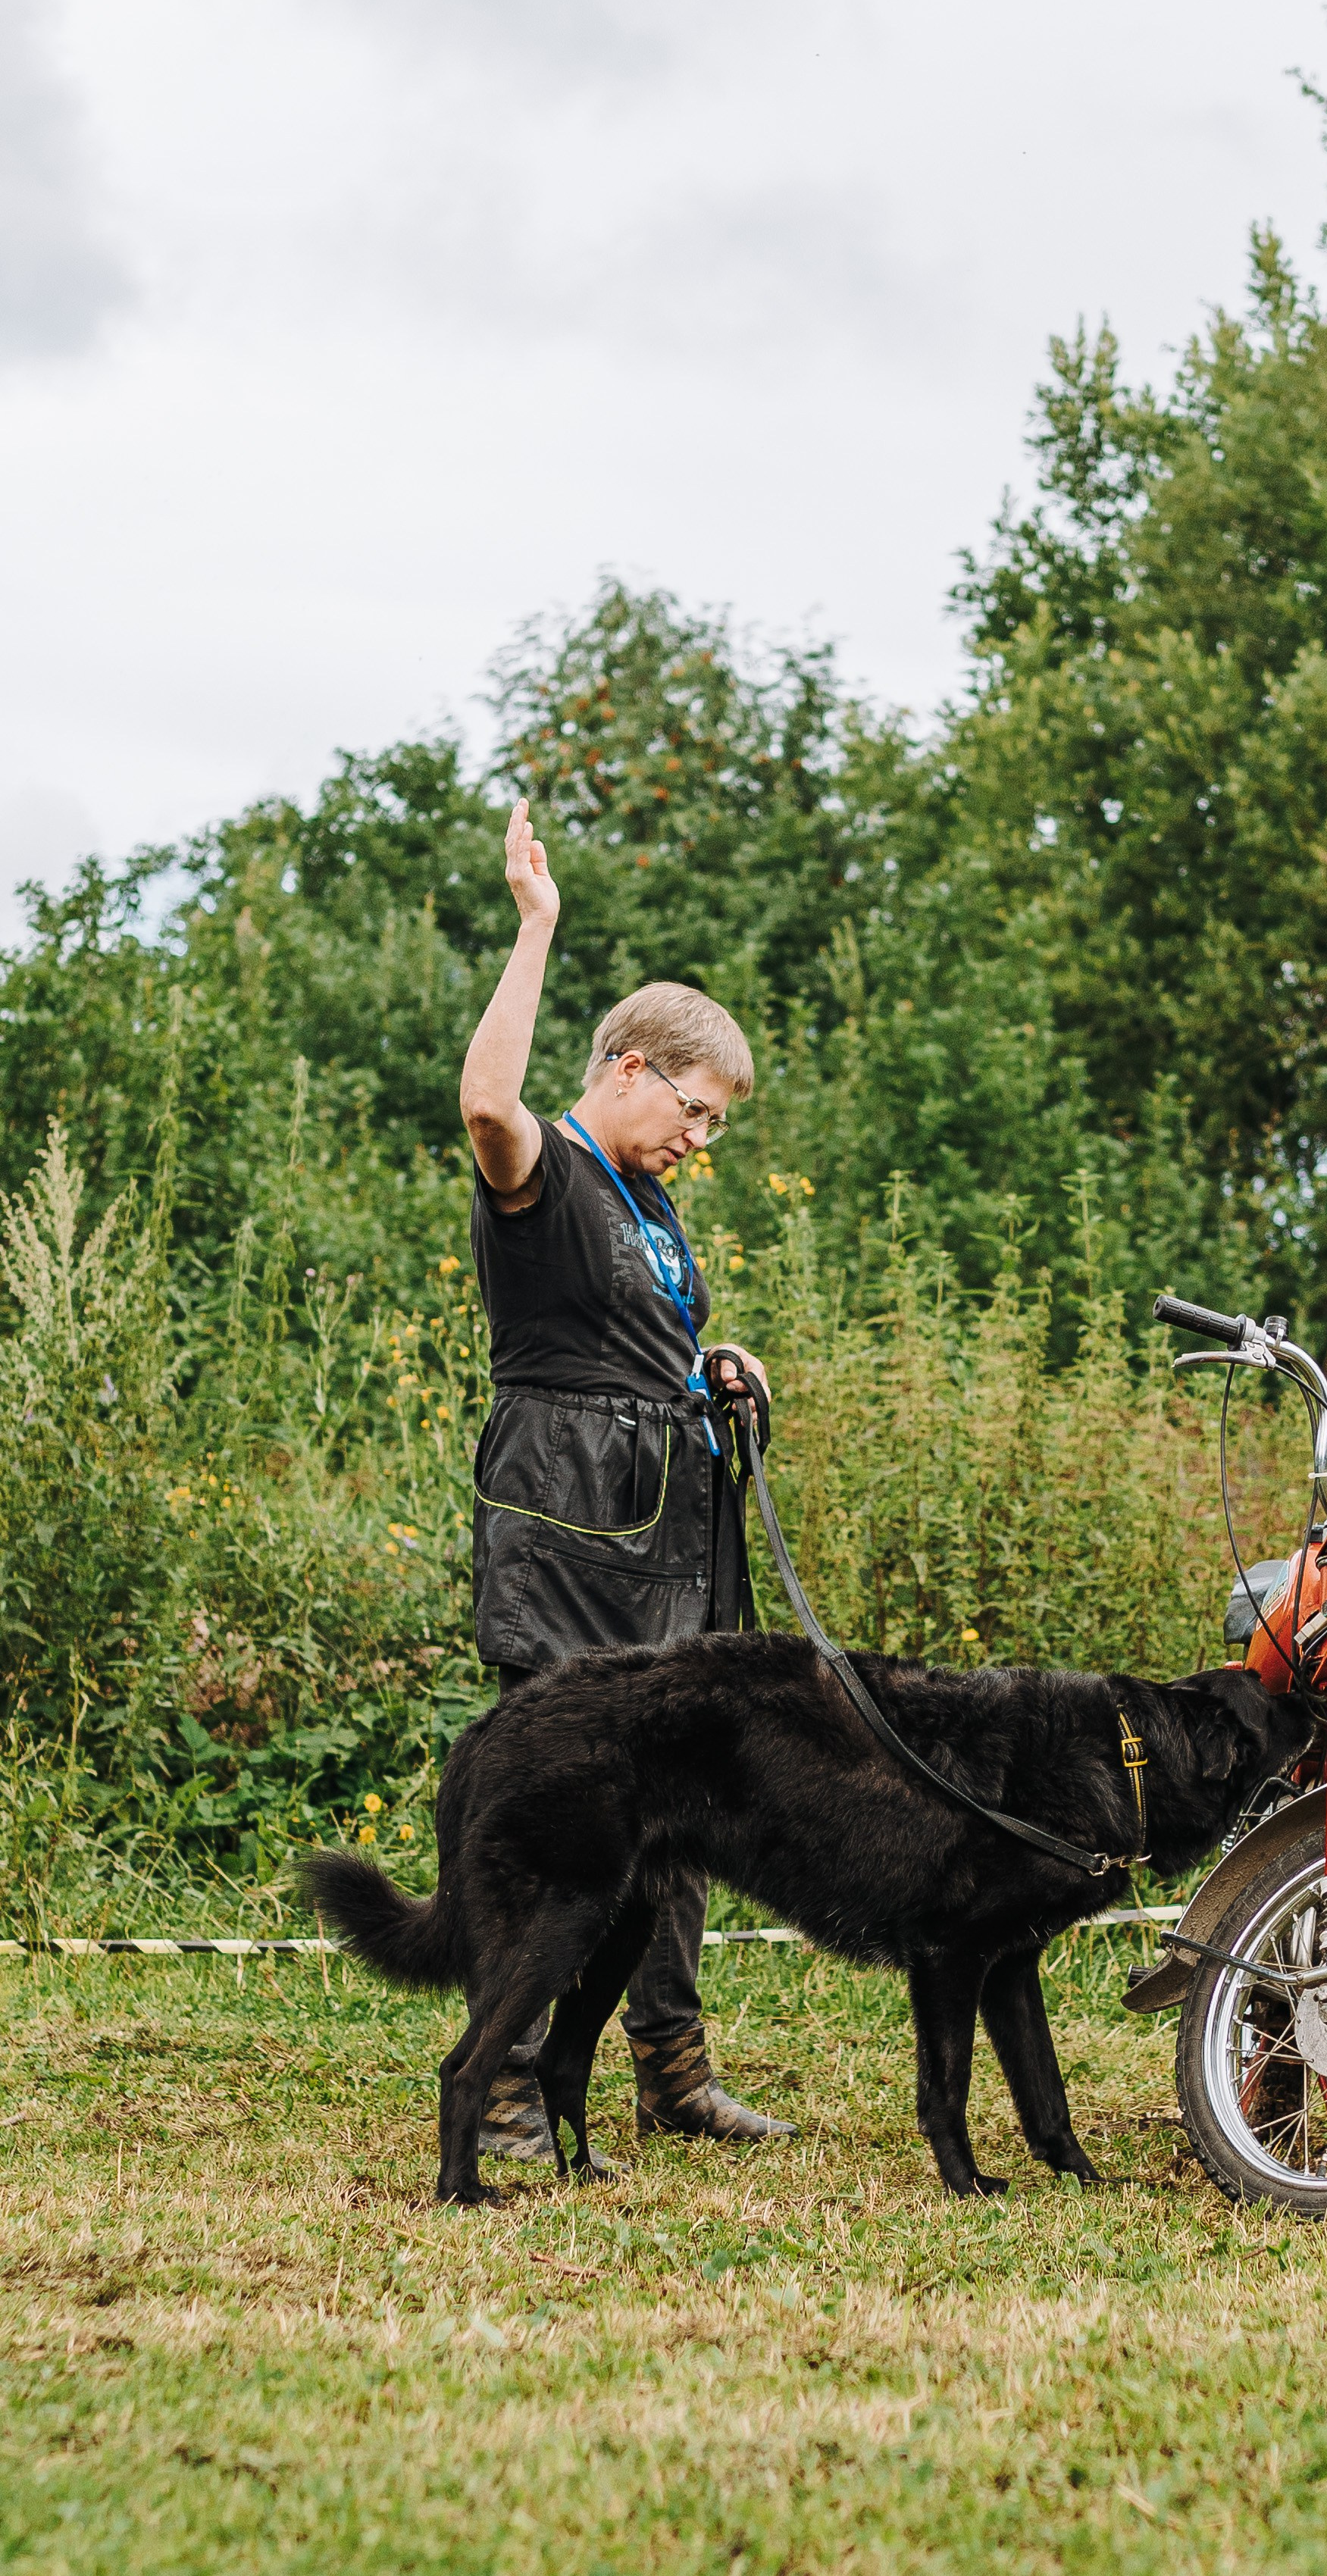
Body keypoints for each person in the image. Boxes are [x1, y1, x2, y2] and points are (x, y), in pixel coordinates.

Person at [457, 795, 795, 2161]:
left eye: (713, 1127)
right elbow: (485, 1096)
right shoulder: (544, 1163)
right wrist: (537, 924)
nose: (699, 1143)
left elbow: (638, 1337)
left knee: (683, 1809)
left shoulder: (651, 1206)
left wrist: (712, 1359)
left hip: (666, 1542)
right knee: (565, 1823)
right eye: (695, 1113)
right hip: (564, 1537)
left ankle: (671, 2068)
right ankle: (504, 2087)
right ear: (635, 1065)